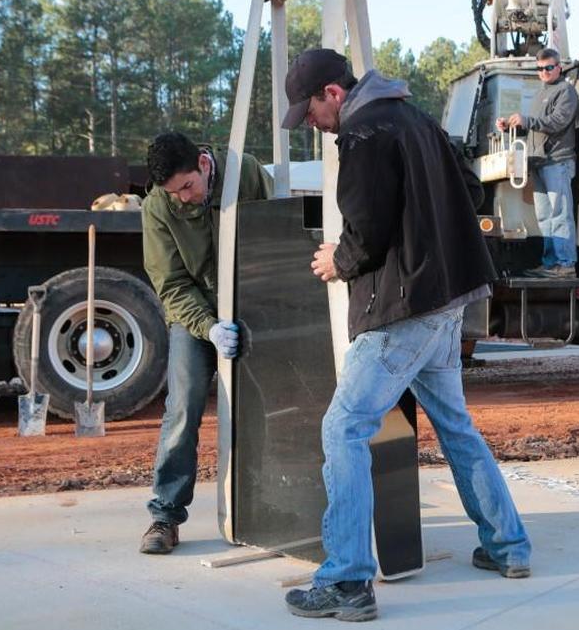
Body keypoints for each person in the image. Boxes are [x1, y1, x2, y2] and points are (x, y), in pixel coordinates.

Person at [279, 48, 532, 622]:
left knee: (343, 428)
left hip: (404, 308)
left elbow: (365, 234)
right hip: (449, 301)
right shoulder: (416, 119)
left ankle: (347, 582)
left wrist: (335, 262)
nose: (312, 124)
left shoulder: (363, 134)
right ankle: (508, 546)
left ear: (334, 94)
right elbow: (469, 193)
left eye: (311, 110)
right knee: (456, 427)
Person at [138, 131, 272, 554]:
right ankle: (164, 516)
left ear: (203, 163)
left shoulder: (245, 172)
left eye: (187, 187)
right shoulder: (158, 207)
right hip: (193, 316)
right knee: (183, 406)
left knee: (262, 405)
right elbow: (171, 282)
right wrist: (209, 326)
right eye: (173, 193)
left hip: (251, 306)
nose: (181, 199)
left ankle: (263, 505)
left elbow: (273, 235)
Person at [496, 47, 579, 278]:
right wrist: (512, 126)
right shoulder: (541, 93)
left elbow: (557, 122)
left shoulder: (566, 92)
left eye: (548, 68)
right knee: (544, 216)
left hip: (557, 161)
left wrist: (528, 120)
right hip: (540, 162)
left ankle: (566, 264)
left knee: (560, 214)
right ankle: (551, 263)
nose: (544, 72)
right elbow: (536, 127)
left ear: (558, 68)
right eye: (540, 69)